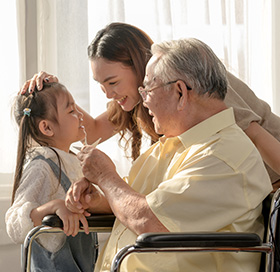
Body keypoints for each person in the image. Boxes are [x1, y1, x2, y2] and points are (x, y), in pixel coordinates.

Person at [66, 38, 272, 272]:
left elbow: (147, 220)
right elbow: (137, 200)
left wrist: (105, 176)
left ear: (180, 92)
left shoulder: (225, 155)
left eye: (148, 90)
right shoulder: (171, 145)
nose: (144, 100)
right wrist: (99, 198)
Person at [20, 22, 280, 190]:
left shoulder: (192, 78)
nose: (108, 94)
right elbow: (94, 129)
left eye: (112, 82)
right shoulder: (142, 100)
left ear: (138, 67)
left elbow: (255, 135)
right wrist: (53, 93)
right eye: (100, 84)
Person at [5, 82, 98, 272]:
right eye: (72, 110)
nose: (81, 115)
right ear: (46, 127)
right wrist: (54, 207)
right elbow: (14, 223)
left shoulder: (73, 161)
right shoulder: (42, 166)